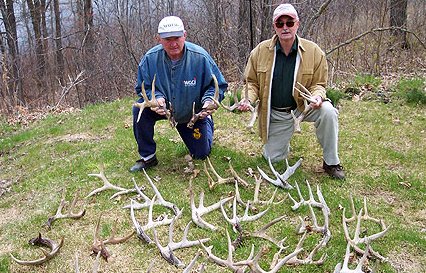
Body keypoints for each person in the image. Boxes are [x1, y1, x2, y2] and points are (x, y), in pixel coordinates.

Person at [238, 4, 345, 179]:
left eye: (289, 22)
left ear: (297, 24)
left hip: (303, 108)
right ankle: (281, 141)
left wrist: (317, 96)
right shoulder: (260, 51)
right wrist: (247, 100)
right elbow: (251, 83)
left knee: (328, 112)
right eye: (280, 23)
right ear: (274, 26)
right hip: (276, 114)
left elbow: (319, 83)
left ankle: (331, 162)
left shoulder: (314, 52)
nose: (285, 27)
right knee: (272, 159)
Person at [130, 16, 228, 172]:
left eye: (177, 37)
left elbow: (218, 85)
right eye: (167, 39)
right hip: (164, 109)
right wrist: (156, 98)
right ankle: (148, 157)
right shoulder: (149, 59)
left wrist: (209, 101)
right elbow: (143, 87)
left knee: (200, 153)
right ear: (159, 39)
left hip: (193, 113)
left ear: (185, 35)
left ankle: (207, 122)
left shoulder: (200, 58)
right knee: (139, 111)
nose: (173, 43)